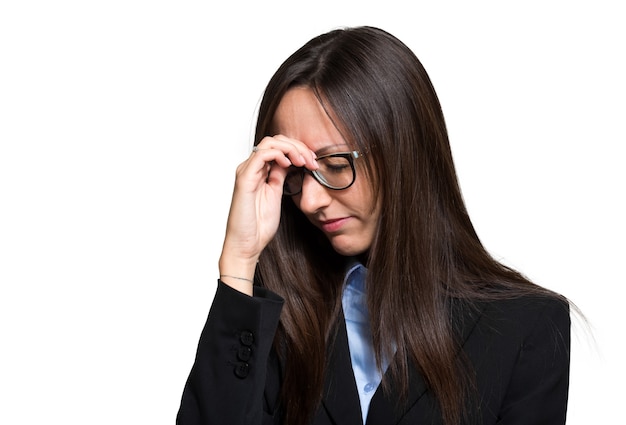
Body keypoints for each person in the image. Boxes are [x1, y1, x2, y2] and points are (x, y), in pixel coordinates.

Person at [176, 26, 572, 425]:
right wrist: (239, 261)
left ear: (403, 154)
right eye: (294, 173)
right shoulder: (271, 316)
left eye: (335, 165)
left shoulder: (527, 327)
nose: (310, 201)